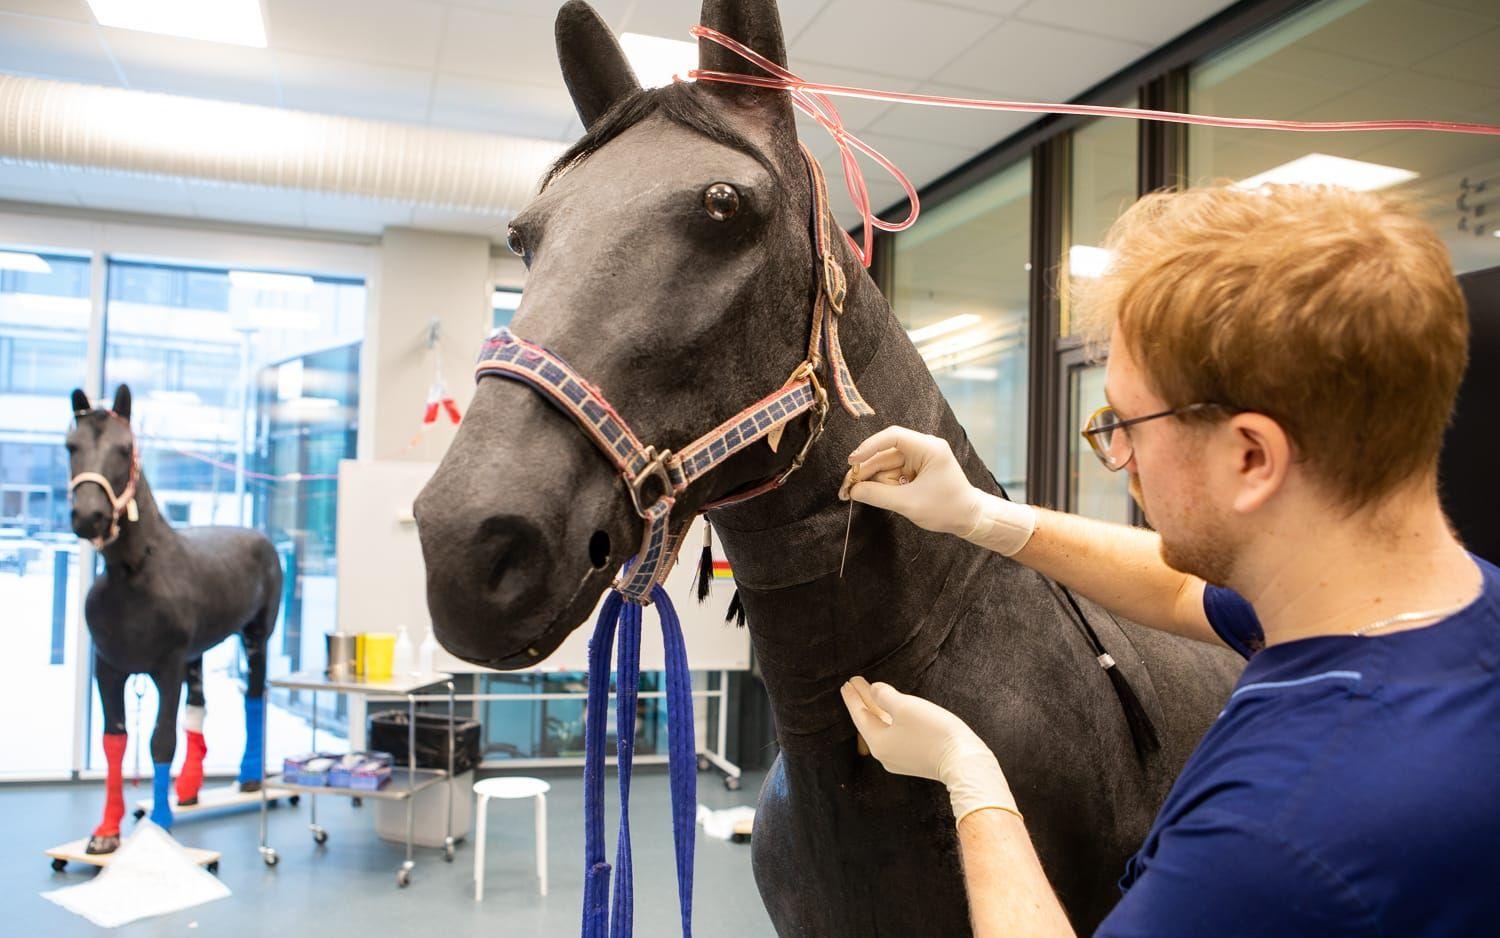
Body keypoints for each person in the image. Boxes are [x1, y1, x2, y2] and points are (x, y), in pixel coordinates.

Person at [838, 183, 1498, 937]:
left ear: (1252, 456)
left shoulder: (1275, 839)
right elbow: (1186, 589)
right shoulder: (1433, 613)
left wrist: (970, 775)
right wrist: (983, 516)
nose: (1120, 456)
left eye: (1126, 421)